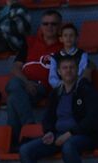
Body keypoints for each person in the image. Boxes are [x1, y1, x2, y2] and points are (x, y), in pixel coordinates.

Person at [19, 54, 98, 163]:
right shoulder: (55, 93)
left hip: (85, 135)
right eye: (64, 68)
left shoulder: (87, 90)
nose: (68, 70)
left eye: (72, 67)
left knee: (68, 146)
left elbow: (92, 120)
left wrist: (69, 134)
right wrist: (48, 132)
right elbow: (48, 118)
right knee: (25, 150)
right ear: (58, 71)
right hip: (58, 136)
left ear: (77, 70)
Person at [5, 7, 61, 149]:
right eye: (45, 24)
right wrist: (27, 82)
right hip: (25, 84)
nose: (49, 27)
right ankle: (29, 126)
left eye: (53, 24)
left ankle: (16, 140)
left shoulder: (64, 45)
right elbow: (15, 67)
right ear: (41, 26)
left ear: (59, 26)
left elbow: (83, 60)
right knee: (14, 89)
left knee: (13, 96)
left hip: (43, 87)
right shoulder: (30, 42)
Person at [47, 23, 92, 90]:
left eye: (71, 35)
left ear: (77, 38)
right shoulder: (55, 57)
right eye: (65, 35)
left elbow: (81, 72)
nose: (68, 38)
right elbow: (52, 78)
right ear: (61, 39)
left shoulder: (82, 54)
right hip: (61, 88)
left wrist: (72, 84)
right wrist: (62, 85)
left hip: (77, 87)